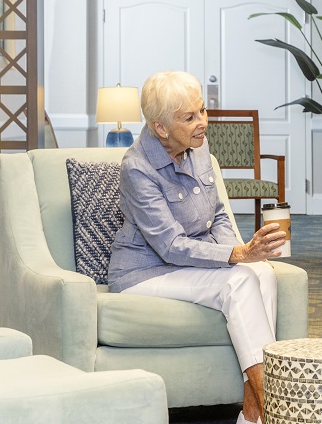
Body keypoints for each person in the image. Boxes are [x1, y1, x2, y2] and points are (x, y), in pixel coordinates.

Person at [107, 70, 285, 424]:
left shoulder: (198, 149)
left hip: (189, 263)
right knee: (241, 280)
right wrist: (237, 257)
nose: (202, 122)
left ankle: (253, 416)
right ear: (160, 127)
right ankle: (277, 409)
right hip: (144, 271)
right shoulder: (137, 167)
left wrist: (245, 256)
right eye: (189, 117)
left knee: (261, 273)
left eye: (202, 111)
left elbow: (218, 214)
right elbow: (170, 246)